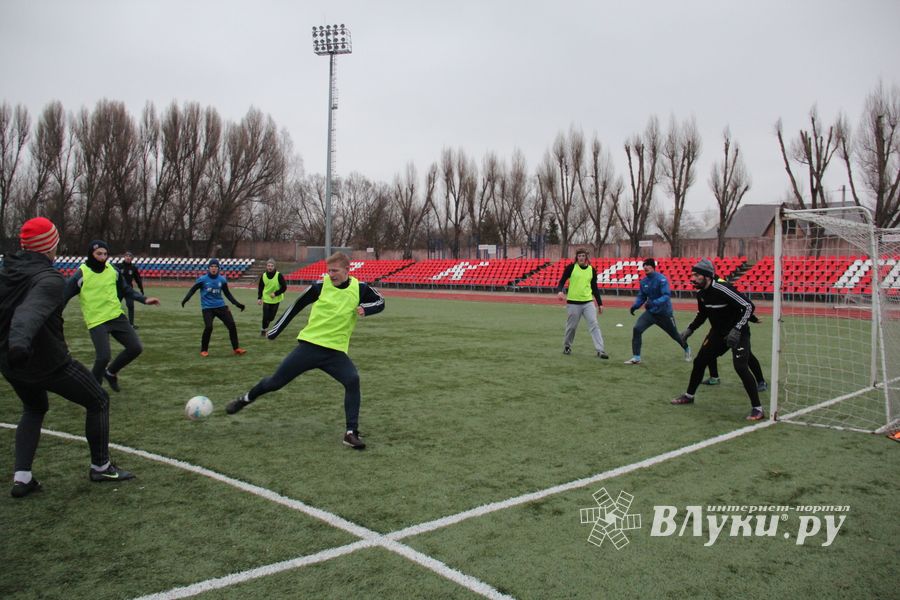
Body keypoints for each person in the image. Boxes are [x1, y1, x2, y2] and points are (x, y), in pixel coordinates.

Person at [1, 218, 134, 498]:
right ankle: (101, 466)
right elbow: (29, 312)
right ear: (50, 245)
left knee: (34, 408)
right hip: (43, 361)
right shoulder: (50, 278)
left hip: (11, 365)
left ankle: (22, 478)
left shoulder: (7, 270)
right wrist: (19, 343)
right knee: (98, 400)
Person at [225, 252, 385, 450]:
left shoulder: (360, 288)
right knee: (275, 382)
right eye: (329, 270)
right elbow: (296, 306)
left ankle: (351, 433)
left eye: (335, 271)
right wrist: (275, 330)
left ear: (347, 270)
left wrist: (366, 309)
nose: (331, 274)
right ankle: (245, 399)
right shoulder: (320, 286)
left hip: (335, 352)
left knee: (352, 380)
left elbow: (380, 301)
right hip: (310, 346)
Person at [673, 258, 765, 421]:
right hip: (717, 333)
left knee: (740, 367)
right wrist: (690, 329)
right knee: (700, 361)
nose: (693, 278)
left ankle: (757, 408)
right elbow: (702, 314)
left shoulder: (723, 289)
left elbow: (748, 306)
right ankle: (689, 395)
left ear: (707, 276)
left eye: (697, 275)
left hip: (738, 333)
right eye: (693, 275)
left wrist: (737, 329)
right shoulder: (701, 293)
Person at [64, 240, 160, 392]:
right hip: (97, 321)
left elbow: (126, 289)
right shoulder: (81, 274)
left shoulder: (113, 270)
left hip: (116, 316)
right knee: (103, 357)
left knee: (135, 348)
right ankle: (93, 391)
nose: (103, 257)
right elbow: (63, 297)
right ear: (91, 254)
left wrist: (144, 299)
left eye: (105, 254)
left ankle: (110, 373)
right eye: (99, 254)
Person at [625, 258, 691, 365]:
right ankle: (636, 357)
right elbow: (642, 296)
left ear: (653, 267)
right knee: (637, 329)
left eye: (648, 265)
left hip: (664, 314)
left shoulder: (662, 279)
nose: (645, 267)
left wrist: (654, 303)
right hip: (651, 313)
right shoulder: (644, 282)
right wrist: (635, 306)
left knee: (675, 335)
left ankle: (687, 348)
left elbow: (666, 295)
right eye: (644, 265)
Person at [181, 258, 247, 356]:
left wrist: (237, 304)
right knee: (209, 327)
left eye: (216, 266)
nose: (214, 268)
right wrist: (185, 299)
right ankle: (204, 350)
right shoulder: (202, 279)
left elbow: (227, 294)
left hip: (221, 306)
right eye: (212, 266)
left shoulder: (222, 280)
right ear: (208, 268)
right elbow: (192, 290)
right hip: (207, 308)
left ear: (218, 268)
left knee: (232, 325)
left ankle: (236, 348)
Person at [555, 248, 608, 359]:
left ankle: (600, 350)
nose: (581, 258)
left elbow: (595, 288)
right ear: (576, 257)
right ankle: (567, 346)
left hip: (588, 302)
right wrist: (560, 291)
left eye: (583, 256)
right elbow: (562, 281)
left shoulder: (591, 270)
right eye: (579, 256)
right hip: (573, 303)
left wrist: (600, 304)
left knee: (594, 324)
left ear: (586, 257)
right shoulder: (571, 268)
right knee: (572, 327)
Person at [257, 258, 287, 336]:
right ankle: (263, 330)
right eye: (268, 265)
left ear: (274, 266)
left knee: (271, 317)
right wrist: (259, 298)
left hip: (276, 299)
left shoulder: (279, 275)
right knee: (265, 316)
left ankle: (266, 326)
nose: (270, 267)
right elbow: (260, 287)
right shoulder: (263, 275)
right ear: (266, 266)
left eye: (271, 266)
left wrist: (276, 293)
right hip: (266, 298)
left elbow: (284, 287)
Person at [118, 251, 144, 328]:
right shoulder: (118, 266)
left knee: (130, 306)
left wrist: (141, 288)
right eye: (127, 256)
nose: (128, 257)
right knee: (114, 306)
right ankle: (111, 323)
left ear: (131, 258)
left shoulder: (133, 268)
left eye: (130, 256)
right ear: (124, 257)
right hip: (119, 289)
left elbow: (138, 279)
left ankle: (131, 325)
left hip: (128, 290)